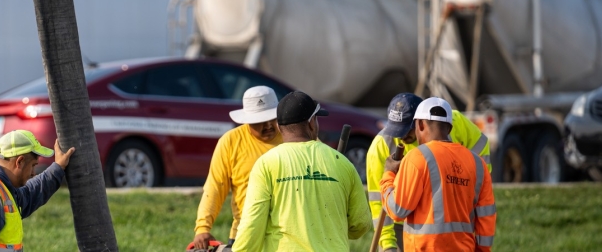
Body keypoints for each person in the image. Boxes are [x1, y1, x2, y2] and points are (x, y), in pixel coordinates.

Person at [234, 91, 371, 252]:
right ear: (312, 123)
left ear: (278, 127)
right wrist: (333, 227)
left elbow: (252, 225)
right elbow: (361, 224)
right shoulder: (342, 163)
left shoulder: (266, 164)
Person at [366, 93, 491, 252]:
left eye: (406, 130)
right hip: (406, 224)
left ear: (421, 123)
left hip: (454, 220)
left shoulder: (451, 122)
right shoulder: (381, 147)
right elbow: (379, 201)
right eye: (397, 131)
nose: (402, 136)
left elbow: (480, 145)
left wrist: (472, 185)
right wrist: (388, 244)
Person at [191, 86, 284, 250]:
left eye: (272, 118)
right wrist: (203, 228)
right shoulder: (231, 142)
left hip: (286, 235)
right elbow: (215, 187)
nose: (269, 125)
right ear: (247, 119)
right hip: (244, 234)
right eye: (261, 120)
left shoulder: (293, 137)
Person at [0, 130, 76, 252]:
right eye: (33, 165)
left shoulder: (3, 189)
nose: (33, 173)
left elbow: (31, 193)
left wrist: (58, 167)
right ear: (19, 162)